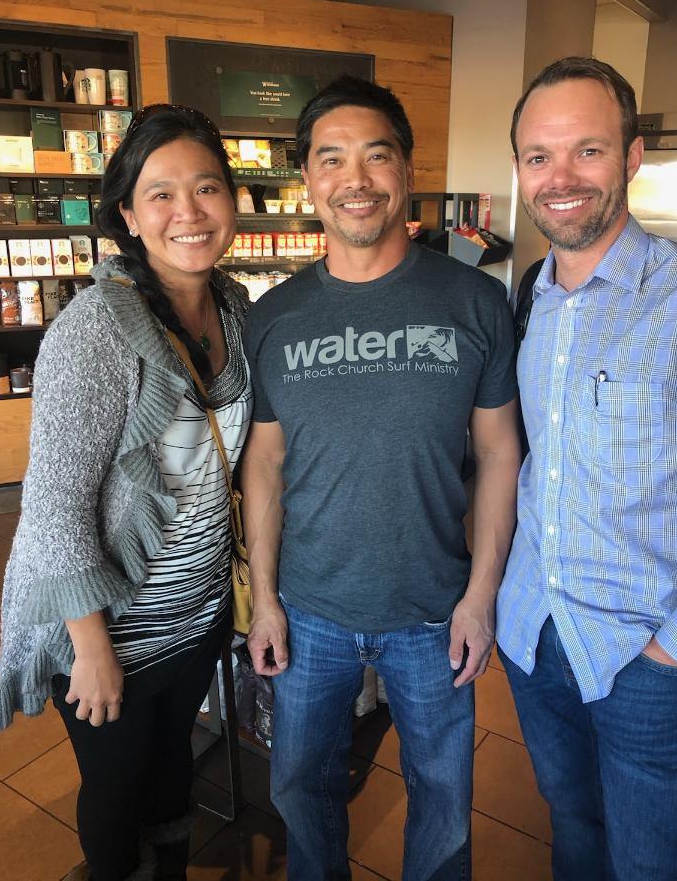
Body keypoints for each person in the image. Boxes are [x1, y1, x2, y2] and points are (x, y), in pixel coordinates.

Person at [241, 75, 521, 881]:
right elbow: (265, 459)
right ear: (307, 180)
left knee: (442, 801)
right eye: (331, 159)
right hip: (310, 610)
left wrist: (480, 597)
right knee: (302, 789)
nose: (354, 180)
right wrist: (264, 599)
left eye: (376, 156)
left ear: (405, 169)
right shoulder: (275, 316)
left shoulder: (474, 300)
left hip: (435, 612)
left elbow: (501, 452)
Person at [0, 104, 251, 881]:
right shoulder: (95, 328)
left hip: (196, 615)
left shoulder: (236, 309)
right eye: (162, 194)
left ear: (233, 201)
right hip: (114, 634)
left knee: (172, 772)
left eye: (207, 188)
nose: (189, 212)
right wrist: (91, 650)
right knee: (115, 792)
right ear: (127, 215)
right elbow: (55, 507)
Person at [497, 56, 677, 881]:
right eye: (539, 156)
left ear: (631, 158)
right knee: (576, 833)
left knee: (652, 862)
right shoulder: (529, 299)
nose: (561, 178)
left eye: (587, 151)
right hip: (534, 635)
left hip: (642, 654)